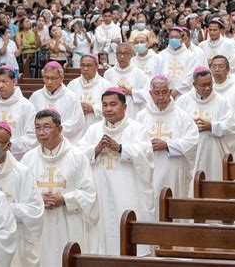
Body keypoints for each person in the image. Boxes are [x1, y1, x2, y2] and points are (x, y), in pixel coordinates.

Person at [78, 87, 154, 255]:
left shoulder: (136, 129)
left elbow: (146, 153)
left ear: (124, 107)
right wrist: (96, 149)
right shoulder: (94, 130)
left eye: (113, 104)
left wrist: (120, 148)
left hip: (128, 190)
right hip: (100, 188)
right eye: (104, 105)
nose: (108, 109)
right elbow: (79, 155)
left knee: (125, 225)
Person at [22, 108, 97, 266]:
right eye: (37, 127)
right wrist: (37, 199)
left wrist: (63, 199)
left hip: (68, 222)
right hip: (40, 224)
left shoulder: (77, 158)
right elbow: (20, 195)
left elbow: (89, 193)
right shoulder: (28, 159)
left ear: (60, 129)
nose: (41, 132)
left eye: (47, 127)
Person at [0, 122, 44, 266]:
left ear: (8, 146)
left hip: (15, 240)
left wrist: (3, 208)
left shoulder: (22, 173)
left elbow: (35, 210)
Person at [136, 76, 198, 211]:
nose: (160, 96)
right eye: (156, 93)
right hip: (149, 170)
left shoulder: (182, 116)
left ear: (170, 93)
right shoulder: (141, 116)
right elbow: (133, 143)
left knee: (172, 206)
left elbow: (192, 141)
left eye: (164, 92)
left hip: (173, 171)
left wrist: (168, 145)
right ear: (150, 94)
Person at [177, 67, 235, 181]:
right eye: (203, 85)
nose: (207, 88)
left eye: (210, 84)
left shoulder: (221, 101)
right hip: (190, 151)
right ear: (194, 85)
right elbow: (176, 125)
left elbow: (232, 126)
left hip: (213, 152)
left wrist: (212, 126)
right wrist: (191, 126)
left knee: (213, 179)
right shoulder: (183, 101)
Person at [29, 61, 85, 144]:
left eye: (53, 78)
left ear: (61, 78)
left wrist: (53, 131)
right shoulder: (36, 96)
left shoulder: (71, 97)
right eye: (46, 78)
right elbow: (30, 121)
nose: (49, 82)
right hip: (40, 142)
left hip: (64, 143)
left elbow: (76, 122)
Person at [0, 65, 38, 160]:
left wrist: (7, 146)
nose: (0, 85)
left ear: (14, 82)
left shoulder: (26, 106)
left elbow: (31, 137)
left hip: (17, 158)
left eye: (4, 81)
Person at [67, 54, 113, 134]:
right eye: (83, 65)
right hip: (76, 130)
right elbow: (66, 107)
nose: (85, 68)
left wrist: (93, 108)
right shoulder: (72, 84)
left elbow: (112, 108)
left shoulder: (106, 85)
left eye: (89, 65)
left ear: (96, 67)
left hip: (98, 129)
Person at [103, 43, 150, 118]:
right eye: (119, 53)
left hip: (133, 112)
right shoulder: (108, 73)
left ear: (131, 55)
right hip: (112, 114)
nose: (122, 56)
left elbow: (148, 93)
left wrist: (131, 92)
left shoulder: (139, 73)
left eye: (125, 53)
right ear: (116, 55)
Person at [158, 27, 197, 99]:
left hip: (183, 94)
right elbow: (160, 74)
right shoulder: (162, 55)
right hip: (165, 93)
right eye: (171, 37)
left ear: (181, 39)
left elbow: (190, 76)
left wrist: (177, 91)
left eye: (176, 37)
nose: (173, 39)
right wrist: (166, 90)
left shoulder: (190, 55)